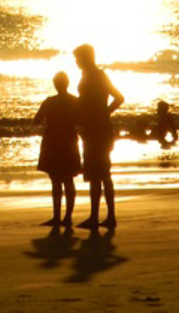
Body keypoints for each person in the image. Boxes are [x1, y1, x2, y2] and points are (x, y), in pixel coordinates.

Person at [73, 43, 124, 229]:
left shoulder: (98, 75)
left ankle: (107, 216)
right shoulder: (88, 75)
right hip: (91, 129)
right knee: (96, 173)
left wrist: (104, 113)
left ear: (86, 58)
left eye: (78, 58)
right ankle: (97, 216)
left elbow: (119, 97)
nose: (76, 62)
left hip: (99, 130)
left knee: (101, 173)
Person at [33, 71, 81, 227]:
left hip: (52, 141)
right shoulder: (75, 101)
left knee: (55, 181)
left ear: (55, 84)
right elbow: (82, 120)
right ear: (67, 84)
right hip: (69, 141)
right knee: (68, 180)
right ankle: (68, 217)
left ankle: (56, 216)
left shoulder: (50, 101)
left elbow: (37, 120)